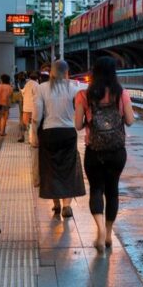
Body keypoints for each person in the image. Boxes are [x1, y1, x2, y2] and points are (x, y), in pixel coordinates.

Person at [74, 56, 135, 253]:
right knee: (113, 191)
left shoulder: (84, 95)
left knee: (96, 190)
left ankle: (99, 229)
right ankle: (108, 234)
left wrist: (87, 122)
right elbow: (130, 121)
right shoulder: (121, 94)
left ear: (94, 73)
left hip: (94, 151)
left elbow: (77, 125)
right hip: (117, 151)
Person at [32, 60, 85, 217]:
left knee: (50, 168)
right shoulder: (73, 87)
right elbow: (90, 88)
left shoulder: (41, 88)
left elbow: (37, 116)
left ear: (51, 73)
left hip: (48, 133)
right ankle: (66, 205)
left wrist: (34, 133)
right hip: (68, 133)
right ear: (66, 72)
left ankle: (55, 203)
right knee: (68, 168)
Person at [20, 64, 46, 144]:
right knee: (33, 124)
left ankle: (29, 139)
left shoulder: (27, 84)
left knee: (28, 124)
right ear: (38, 78)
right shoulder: (37, 85)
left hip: (26, 107)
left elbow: (22, 92)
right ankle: (32, 139)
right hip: (34, 107)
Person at [0, 74, 13, 139]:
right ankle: (2, 131)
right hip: (5, 104)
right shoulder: (9, 87)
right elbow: (10, 95)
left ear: (1, 79)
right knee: (4, 118)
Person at [14, 72, 27, 142]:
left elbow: (18, 90)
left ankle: (22, 133)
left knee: (21, 116)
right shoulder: (26, 82)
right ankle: (23, 131)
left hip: (21, 100)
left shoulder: (18, 82)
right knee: (23, 116)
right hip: (25, 100)